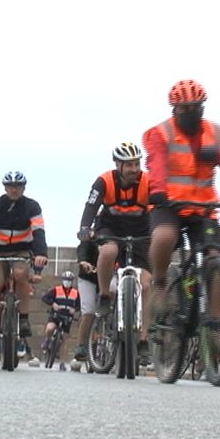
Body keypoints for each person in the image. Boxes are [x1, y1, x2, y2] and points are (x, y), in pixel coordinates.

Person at [142, 79, 220, 351]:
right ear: (174, 109)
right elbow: (156, 166)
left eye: (196, 107)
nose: (190, 113)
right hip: (169, 206)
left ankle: (214, 326)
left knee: (216, 257)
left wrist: (219, 156)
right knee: (164, 236)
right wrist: (158, 191)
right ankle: (161, 281)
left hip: (203, 208)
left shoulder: (216, 133)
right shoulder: (159, 133)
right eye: (184, 108)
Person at [77, 142, 153, 364]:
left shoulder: (148, 181)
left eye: (136, 164)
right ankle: (104, 295)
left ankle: (143, 340)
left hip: (141, 230)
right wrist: (84, 228)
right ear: (117, 165)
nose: (133, 169)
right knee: (109, 251)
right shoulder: (104, 181)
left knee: (147, 284)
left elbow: (160, 205)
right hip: (110, 227)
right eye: (128, 165)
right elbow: (90, 207)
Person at [0, 171, 48, 342]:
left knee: (21, 275)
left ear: (23, 188)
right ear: (5, 188)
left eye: (18, 186)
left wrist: (40, 255)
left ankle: (23, 318)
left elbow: (39, 232)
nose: (14, 190)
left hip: (20, 250)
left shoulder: (32, 207)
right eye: (10, 186)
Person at [41, 271, 79, 371]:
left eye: (69, 280)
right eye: (66, 280)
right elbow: (45, 298)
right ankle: (47, 340)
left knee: (65, 340)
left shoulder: (75, 293)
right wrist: (53, 304)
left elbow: (79, 305)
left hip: (67, 317)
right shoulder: (56, 290)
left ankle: (62, 363)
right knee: (50, 328)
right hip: (56, 315)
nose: (67, 282)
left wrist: (75, 309)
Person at [73, 238, 99, 362]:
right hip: (88, 277)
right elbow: (83, 247)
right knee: (88, 311)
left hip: (112, 277)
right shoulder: (92, 238)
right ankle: (81, 344)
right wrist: (83, 261)